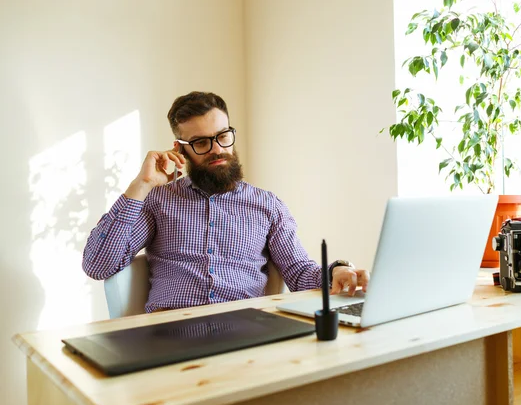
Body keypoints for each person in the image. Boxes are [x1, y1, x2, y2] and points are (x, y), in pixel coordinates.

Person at [83, 91, 369, 312]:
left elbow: (299, 273)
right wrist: (140, 186)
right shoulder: (158, 201)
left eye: (223, 136)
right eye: (201, 142)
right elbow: (97, 265)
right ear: (180, 150)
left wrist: (337, 270)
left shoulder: (268, 205)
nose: (217, 149)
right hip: (170, 330)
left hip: (246, 328)